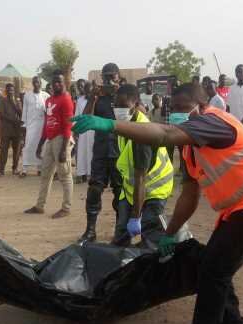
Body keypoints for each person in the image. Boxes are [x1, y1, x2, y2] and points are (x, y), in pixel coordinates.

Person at [71, 82, 243, 324]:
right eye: (175, 109)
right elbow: (189, 196)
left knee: (213, 270)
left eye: (184, 109)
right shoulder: (191, 149)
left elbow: (165, 134)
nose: (178, 115)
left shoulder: (215, 122)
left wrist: (109, 124)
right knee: (213, 264)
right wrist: (170, 235)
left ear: (202, 106)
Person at [111, 84, 173, 248]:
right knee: (120, 236)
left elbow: (141, 177)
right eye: (116, 105)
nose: (118, 110)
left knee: (150, 238)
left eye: (123, 106)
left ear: (135, 105)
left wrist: (136, 216)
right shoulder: (124, 126)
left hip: (154, 189)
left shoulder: (143, 133)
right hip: (132, 190)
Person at [78, 62, 122, 244]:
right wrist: (93, 97)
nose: (109, 80)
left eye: (112, 76)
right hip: (101, 150)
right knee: (95, 189)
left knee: (120, 192)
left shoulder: (125, 93)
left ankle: (121, 231)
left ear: (118, 77)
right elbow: (86, 118)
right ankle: (90, 231)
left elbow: (141, 114)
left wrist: (121, 95)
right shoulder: (98, 98)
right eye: (106, 77)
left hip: (120, 151)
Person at [24, 71, 74, 218]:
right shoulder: (50, 100)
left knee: (65, 174)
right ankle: (40, 206)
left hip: (61, 139)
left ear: (65, 83)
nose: (57, 84)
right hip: (50, 139)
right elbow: (47, 122)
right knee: (45, 173)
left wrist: (64, 149)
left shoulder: (66, 100)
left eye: (59, 81)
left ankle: (66, 208)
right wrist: (41, 143)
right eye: (54, 82)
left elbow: (67, 125)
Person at [21, 76, 49, 177]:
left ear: (41, 84)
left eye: (38, 82)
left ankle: (39, 168)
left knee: (41, 146)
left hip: (42, 125)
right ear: (32, 84)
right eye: (35, 82)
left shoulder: (46, 95)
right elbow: (24, 110)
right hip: (30, 125)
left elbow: (48, 111)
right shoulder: (27, 95)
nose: (36, 84)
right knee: (28, 145)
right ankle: (24, 169)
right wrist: (24, 124)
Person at [0, 83, 23, 176]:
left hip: (16, 130)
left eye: (12, 90)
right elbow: (1, 114)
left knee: (17, 150)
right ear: (6, 91)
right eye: (8, 90)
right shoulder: (2, 100)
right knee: (4, 150)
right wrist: (13, 120)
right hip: (6, 129)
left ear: (14, 91)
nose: (10, 92)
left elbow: (21, 113)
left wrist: (15, 104)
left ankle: (15, 168)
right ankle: (1, 169)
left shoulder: (17, 101)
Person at [74, 80, 94, 182]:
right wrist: (75, 130)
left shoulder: (95, 100)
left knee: (91, 151)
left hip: (92, 130)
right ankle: (81, 173)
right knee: (82, 151)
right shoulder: (80, 100)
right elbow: (77, 115)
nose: (87, 93)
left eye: (89, 91)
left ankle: (90, 174)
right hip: (82, 129)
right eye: (86, 90)